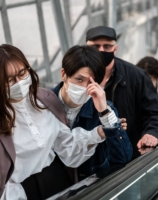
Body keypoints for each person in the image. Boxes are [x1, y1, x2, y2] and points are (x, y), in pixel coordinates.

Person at [0, 44, 115, 200]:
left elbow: (66, 146)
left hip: (59, 181)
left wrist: (98, 133)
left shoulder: (44, 98)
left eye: (22, 73)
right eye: (10, 79)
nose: (19, 82)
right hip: (24, 193)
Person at [52, 45, 133, 181]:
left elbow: (123, 157)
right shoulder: (44, 103)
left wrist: (105, 113)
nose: (84, 87)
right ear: (63, 75)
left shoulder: (102, 109)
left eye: (91, 82)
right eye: (79, 79)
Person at [86, 26, 158, 158]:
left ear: (115, 49)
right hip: (89, 161)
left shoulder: (137, 76)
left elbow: (154, 113)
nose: (101, 50)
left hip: (129, 162)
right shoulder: (78, 78)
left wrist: (152, 133)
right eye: (95, 47)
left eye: (107, 46)